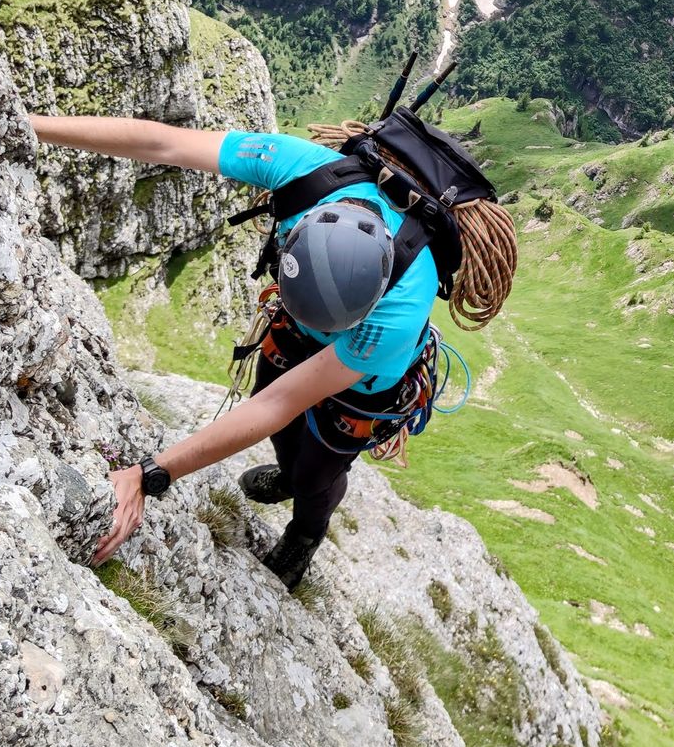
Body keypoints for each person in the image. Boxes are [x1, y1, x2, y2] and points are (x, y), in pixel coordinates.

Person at [30, 115, 440, 589]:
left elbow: (281, 402)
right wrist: (30, 125)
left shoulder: (401, 308)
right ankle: (287, 474)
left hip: (364, 388)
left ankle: (306, 531)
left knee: (318, 470)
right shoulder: (302, 170)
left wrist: (151, 475)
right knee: (285, 441)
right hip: (290, 333)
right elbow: (163, 143)